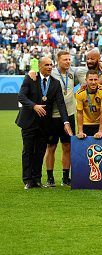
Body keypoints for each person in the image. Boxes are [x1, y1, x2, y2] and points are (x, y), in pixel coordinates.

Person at [16, 57, 72, 189]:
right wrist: (34, 106)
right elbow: (21, 96)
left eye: (51, 65)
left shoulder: (55, 83)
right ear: (40, 66)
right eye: (46, 65)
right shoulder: (31, 78)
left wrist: (66, 122)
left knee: (40, 151)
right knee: (28, 151)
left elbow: (61, 104)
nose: (49, 67)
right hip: (29, 121)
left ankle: (37, 178)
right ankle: (28, 180)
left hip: (45, 124)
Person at [45, 50, 80, 187]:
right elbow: (36, 76)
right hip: (53, 116)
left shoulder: (73, 73)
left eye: (69, 59)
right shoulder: (51, 73)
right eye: (65, 60)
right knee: (51, 147)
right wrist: (31, 73)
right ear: (57, 61)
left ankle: (66, 178)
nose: (68, 62)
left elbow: (89, 69)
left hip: (69, 115)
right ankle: (50, 178)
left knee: (67, 146)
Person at [75, 70, 102, 139]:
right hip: (86, 123)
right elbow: (79, 113)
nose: (93, 82)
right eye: (90, 80)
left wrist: (100, 131)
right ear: (86, 80)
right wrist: (80, 131)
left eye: (95, 79)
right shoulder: (80, 93)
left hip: (99, 123)